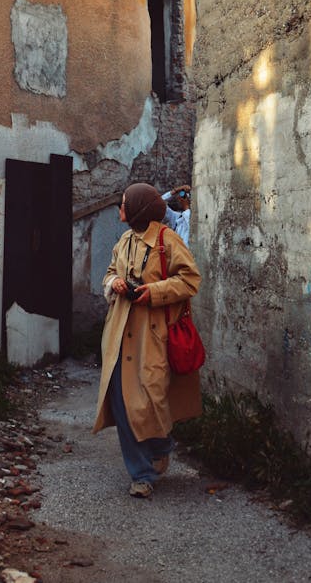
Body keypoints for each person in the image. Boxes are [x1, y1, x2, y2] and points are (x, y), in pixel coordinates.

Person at [93, 182, 202, 499]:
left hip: (153, 336)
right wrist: (115, 283)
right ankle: (141, 475)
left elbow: (189, 279)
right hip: (119, 336)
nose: (120, 209)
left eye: (125, 203)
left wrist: (153, 292)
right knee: (123, 404)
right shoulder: (125, 240)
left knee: (150, 402)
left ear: (138, 208)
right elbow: (110, 272)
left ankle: (161, 444)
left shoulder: (168, 241)